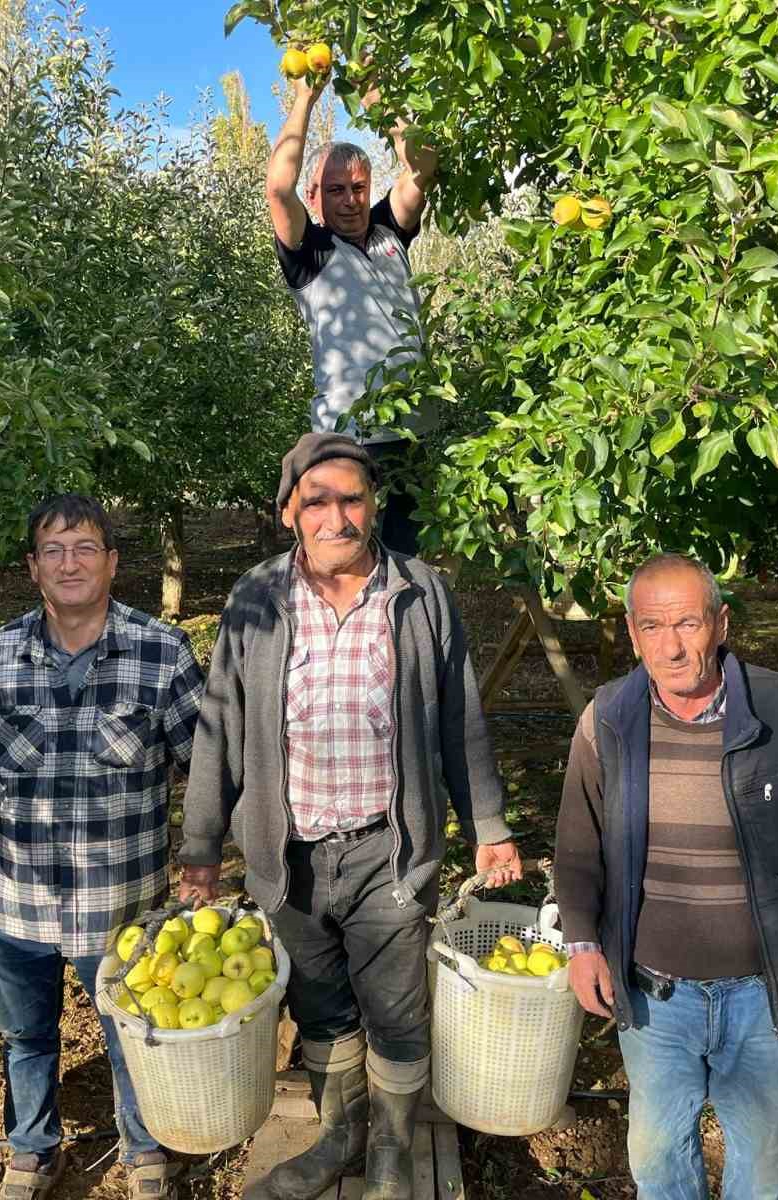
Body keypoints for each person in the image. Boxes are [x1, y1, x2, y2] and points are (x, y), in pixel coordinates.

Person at [177, 432, 522, 1200]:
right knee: (321, 1003)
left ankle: (393, 1153)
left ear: (373, 507)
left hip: (387, 850)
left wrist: (489, 826)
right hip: (288, 851)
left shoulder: (419, 593)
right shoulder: (256, 600)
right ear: (289, 514)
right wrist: (201, 841)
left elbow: (461, 717)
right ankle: (341, 1138)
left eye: (352, 499)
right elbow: (221, 724)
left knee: (396, 1007)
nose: (338, 516)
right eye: (318, 502)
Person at [554, 553, 778, 1200]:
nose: (672, 647)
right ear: (634, 633)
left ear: (721, 624)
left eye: (688, 624)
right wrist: (582, 941)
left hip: (762, 991)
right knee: (658, 1156)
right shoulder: (608, 720)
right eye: (652, 627)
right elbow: (579, 847)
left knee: (756, 1163)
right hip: (652, 995)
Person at [0, 493, 205, 1200]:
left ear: (112, 563)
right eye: (53, 550)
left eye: (85, 548)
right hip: (14, 903)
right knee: (26, 1039)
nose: (69, 563)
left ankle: (144, 1147)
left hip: (122, 905)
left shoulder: (160, 652)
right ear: (32, 568)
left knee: (134, 1032)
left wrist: (208, 856)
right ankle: (33, 1150)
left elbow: (213, 769)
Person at [266, 67, 438, 556]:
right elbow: (279, 188)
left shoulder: (390, 231)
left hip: (412, 431)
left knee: (407, 562)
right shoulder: (311, 252)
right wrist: (305, 97)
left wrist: (376, 93)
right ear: (316, 199)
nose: (350, 201)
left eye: (358, 188)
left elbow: (423, 167)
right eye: (336, 191)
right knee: (350, 559)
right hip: (350, 438)